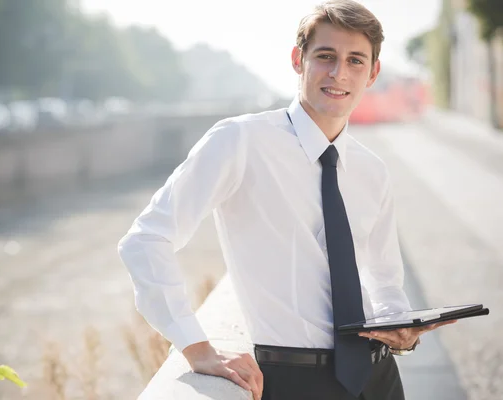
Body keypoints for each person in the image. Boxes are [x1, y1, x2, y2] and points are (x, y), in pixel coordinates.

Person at [118, 1, 456, 399]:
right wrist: (195, 346)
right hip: (293, 381)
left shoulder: (372, 170)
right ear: (299, 60)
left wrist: (399, 327)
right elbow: (145, 239)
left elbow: (384, 279)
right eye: (325, 56)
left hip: (380, 377)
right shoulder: (240, 141)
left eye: (355, 61)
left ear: (373, 72)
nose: (338, 73)